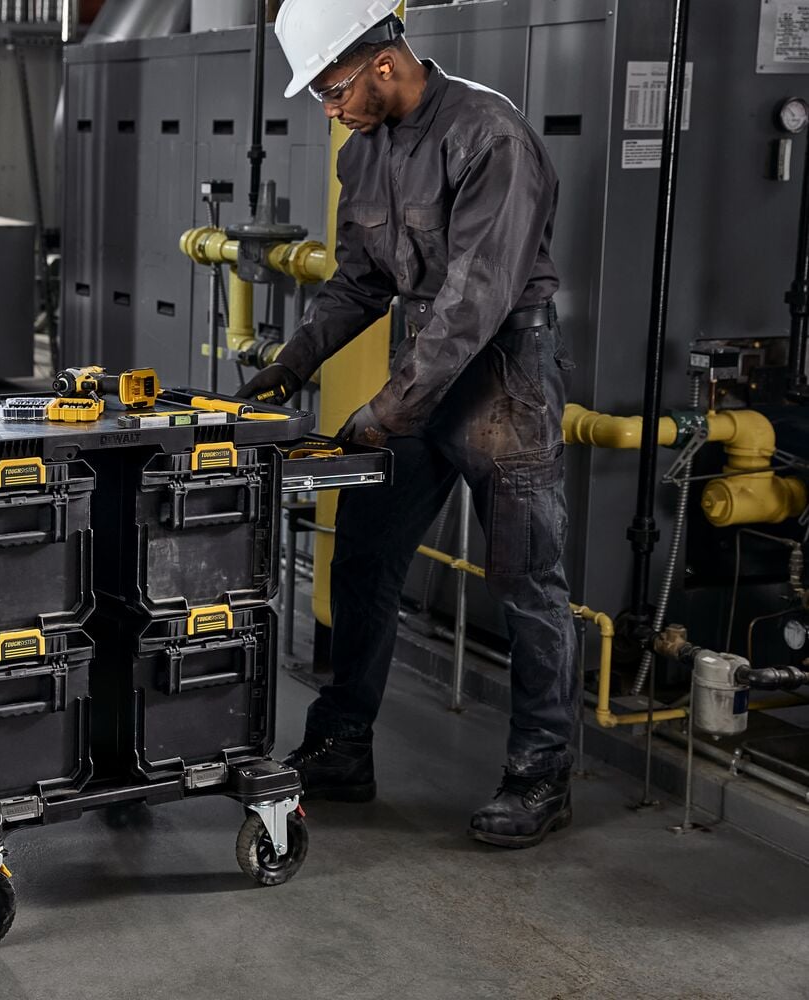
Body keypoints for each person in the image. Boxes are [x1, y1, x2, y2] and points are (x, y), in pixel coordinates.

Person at [241, 0, 576, 848]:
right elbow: (358, 282)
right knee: (363, 555)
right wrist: (290, 364)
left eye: (332, 88)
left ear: (383, 63)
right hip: (426, 364)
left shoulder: (488, 137)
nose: (328, 107)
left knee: (525, 580)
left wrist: (385, 411)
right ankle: (345, 743)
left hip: (502, 375)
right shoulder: (366, 156)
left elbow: (475, 303)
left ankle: (542, 773)